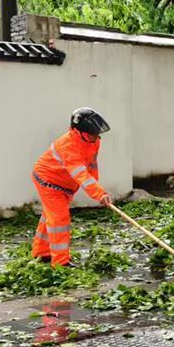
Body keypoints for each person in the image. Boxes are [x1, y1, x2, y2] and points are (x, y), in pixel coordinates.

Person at [30, 108, 112, 267]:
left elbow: (91, 165)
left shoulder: (93, 141)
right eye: (91, 134)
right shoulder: (68, 146)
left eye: (96, 135)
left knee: (50, 215)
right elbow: (80, 173)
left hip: (64, 184)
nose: (95, 138)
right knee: (59, 219)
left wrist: (98, 190)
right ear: (77, 131)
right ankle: (61, 263)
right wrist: (98, 193)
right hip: (49, 181)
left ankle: (41, 253)